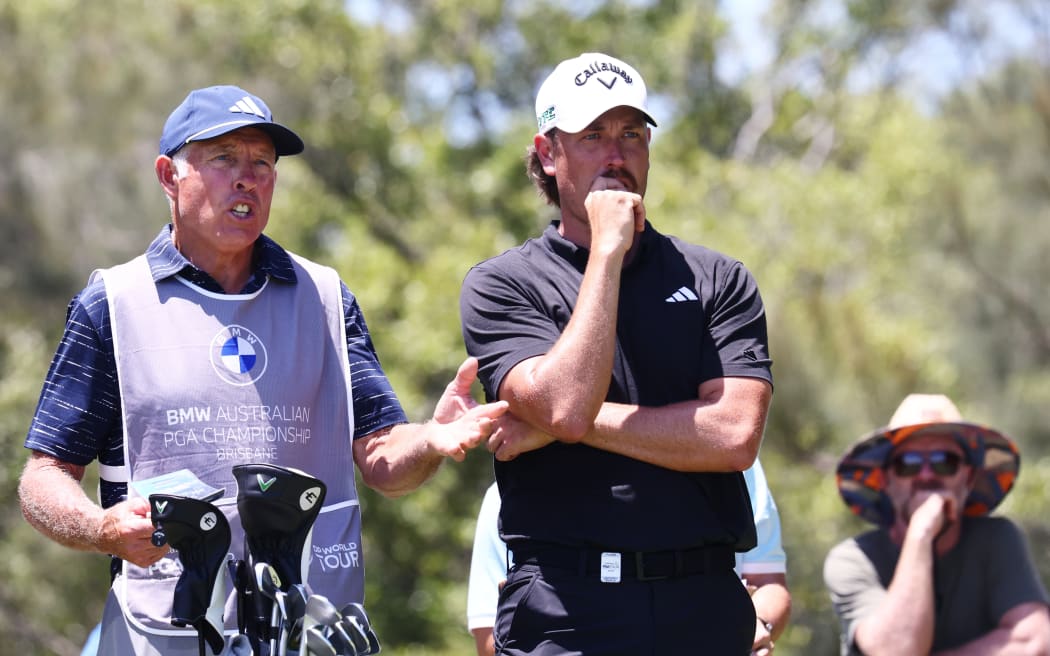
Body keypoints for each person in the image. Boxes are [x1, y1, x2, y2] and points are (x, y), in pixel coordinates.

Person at [17, 84, 507, 656]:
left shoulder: (325, 298)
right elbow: (43, 477)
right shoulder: (113, 304)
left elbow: (382, 461)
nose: (247, 178)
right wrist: (101, 529)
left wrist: (429, 440)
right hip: (161, 633)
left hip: (311, 631)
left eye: (262, 164)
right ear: (168, 176)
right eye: (224, 159)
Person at [458, 53, 774, 655]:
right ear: (548, 153)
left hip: (701, 603)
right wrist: (606, 252)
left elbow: (734, 436)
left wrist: (553, 427)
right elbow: (567, 405)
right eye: (592, 135)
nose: (615, 154)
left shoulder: (718, 278)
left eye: (631, 133)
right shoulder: (503, 283)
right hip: (566, 609)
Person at [467, 458, 791, 656]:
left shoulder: (732, 463)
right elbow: (491, 639)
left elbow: (769, 582)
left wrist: (758, 625)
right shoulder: (513, 494)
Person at [824, 393, 1050, 655]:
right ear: (885, 480)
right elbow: (897, 649)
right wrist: (921, 532)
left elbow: (1036, 641)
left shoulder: (997, 539)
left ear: (968, 478)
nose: (927, 475)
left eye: (945, 462)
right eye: (908, 464)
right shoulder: (853, 559)